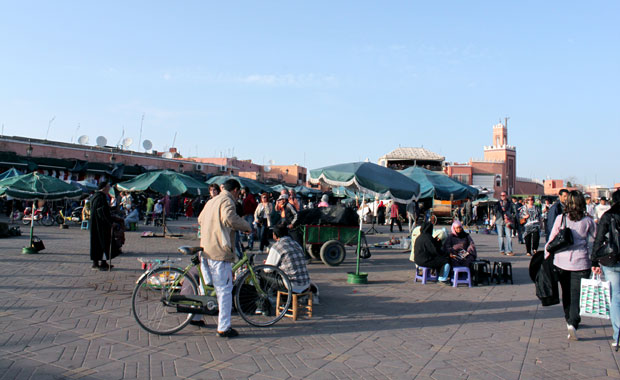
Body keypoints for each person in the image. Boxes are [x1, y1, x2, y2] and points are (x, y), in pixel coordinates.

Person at [197, 179, 251, 338]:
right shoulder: (227, 201)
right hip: (219, 251)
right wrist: (247, 226)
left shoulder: (212, 201)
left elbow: (200, 219)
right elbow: (230, 218)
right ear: (235, 190)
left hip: (205, 249)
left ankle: (196, 317)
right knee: (224, 290)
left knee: (204, 288)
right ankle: (224, 327)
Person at [545, 190, 596, 340]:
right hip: (581, 263)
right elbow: (596, 239)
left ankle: (569, 319)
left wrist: (546, 256)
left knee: (566, 293)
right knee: (576, 295)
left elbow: (551, 239)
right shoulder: (588, 221)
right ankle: (573, 322)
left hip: (561, 262)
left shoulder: (561, 219)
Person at [592, 190, 620, 347]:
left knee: (616, 297)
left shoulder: (608, 216)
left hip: (612, 260)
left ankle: (618, 335)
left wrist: (594, 261)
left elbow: (599, 239)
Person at [265, 225, 311, 293]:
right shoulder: (296, 244)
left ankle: (267, 296)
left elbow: (267, 269)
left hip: (291, 286)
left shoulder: (277, 246)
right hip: (306, 284)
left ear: (275, 235)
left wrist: (267, 263)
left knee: (262, 273)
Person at [89, 181, 114, 271]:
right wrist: (109, 222)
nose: (109, 189)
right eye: (108, 187)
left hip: (97, 224)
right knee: (100, 243)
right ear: (104, 188)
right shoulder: (100, 197)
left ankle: (103, 262)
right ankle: (96, 263)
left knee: (101, 243)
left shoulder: (96, 196)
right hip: (100, 225)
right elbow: (101, 212)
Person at [492, 191, 515, 256]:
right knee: (501, 236)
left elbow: (513, 212)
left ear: (506, 195)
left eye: (504, 195)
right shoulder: (497, 203)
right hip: (499, 221)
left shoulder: (510, 203)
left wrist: (509, 215)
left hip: (508, 221)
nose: (503, 197)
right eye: (501, 195)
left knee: (509, 236)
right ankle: (502, 250)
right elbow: (494, 211)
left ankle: (509, 250)